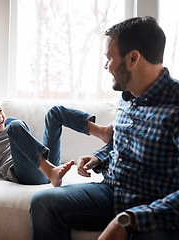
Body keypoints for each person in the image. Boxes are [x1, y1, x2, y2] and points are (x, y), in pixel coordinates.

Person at [30, 16, 179, 240]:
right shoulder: (128, 95)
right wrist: (99, 157)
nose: (106, 66)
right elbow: (124, 143)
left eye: (109, 58)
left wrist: (128, 220)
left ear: (133, 58)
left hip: (153, 205)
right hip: (113, 191)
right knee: (43, 203)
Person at [0, 93, 112, 199]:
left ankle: (102, 132)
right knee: (15, 125)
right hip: (26, 174)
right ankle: (50, 172)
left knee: (55, 112)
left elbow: (29, 145)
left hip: (47, 163)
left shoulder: (10, 122)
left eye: (0, 111)